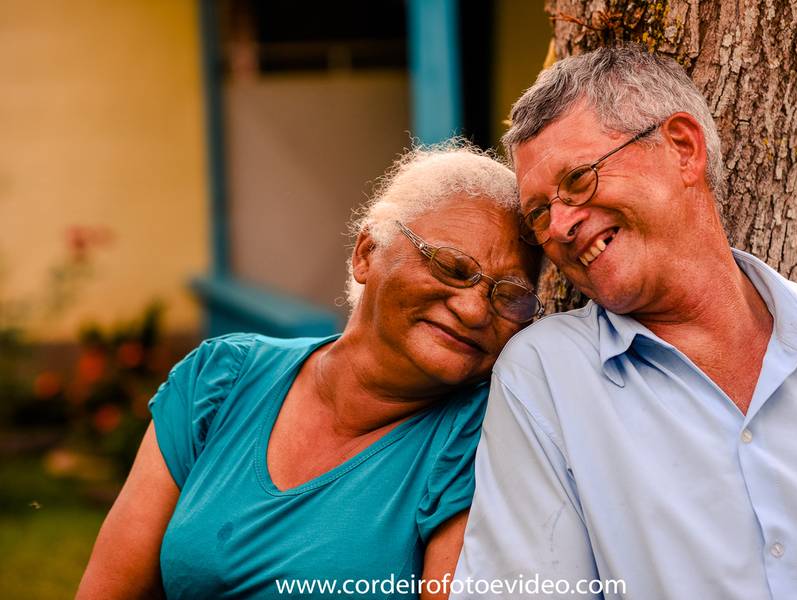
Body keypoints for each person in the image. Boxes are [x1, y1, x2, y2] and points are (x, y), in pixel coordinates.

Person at [453, 46, 797, 599]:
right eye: (541, 213)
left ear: (683, 149)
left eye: (580, 179)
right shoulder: (547, 377)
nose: (563, 226)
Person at [77, 143, 543, 599]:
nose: (474, 309)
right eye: (452, 267)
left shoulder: (480, 435)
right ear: (367, 253)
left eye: (510, 295)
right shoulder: (221, 377)